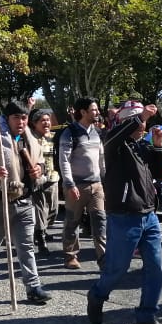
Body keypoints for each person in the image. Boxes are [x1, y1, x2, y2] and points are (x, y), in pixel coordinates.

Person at [86, 100, 162, 324]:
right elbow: (115, 135)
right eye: (137, 120)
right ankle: (97, 295)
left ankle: (147, 316)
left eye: (143, 121)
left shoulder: (143, 146)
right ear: (125, 122)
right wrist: (140, 116)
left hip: (148, 215)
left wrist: (159, 147)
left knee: (155, 268)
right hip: (124, 216)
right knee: (117, 269)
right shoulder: (114, 143)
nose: (142, 125)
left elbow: (161, 172)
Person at [0, 101, 52, 304]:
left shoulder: (29, 137)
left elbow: (40, 161)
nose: (21, 122)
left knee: (26, 245)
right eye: (16, 118)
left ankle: (33, 287)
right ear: (7, 118)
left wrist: (39, 169)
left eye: (24, 118)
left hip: (24, 198)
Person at [57, 97, 107, 269]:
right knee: (72, 221)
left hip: (96, 185)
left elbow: (101, 158)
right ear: (83, 112)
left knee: (100, 221)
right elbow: (64, 160)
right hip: (76, 185)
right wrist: (69, 184)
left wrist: (104, 180)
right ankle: (70, 256)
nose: (97, 112)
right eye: (94, 110)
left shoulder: (97, 132)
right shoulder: (69, 133)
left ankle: (103, 258)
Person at [28, 108, 59, 257]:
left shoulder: (53, 137)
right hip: (38, 180)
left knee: (54, 210)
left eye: (48, 120)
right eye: (43, 121)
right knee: (40, 211)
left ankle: (42, 230)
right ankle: (41, 241)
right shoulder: (31, 138)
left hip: (53, 179)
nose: (46, 123)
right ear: (35, 123)